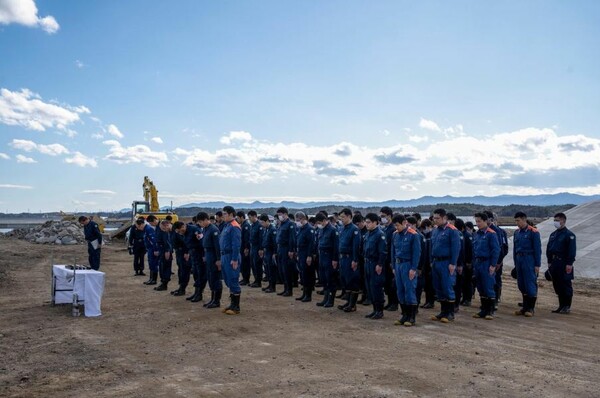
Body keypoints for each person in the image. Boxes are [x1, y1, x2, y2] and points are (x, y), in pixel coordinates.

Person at [430, 208, 461, 323]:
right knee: (438, 288)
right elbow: (432, 246)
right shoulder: (435, 230)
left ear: (444, 218)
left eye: (437, 218)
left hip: (446, 262)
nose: (435, 220)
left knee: (447, 287)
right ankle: (443, 312)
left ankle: (450, 313)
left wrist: (453, 263)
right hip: (436, 262)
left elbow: (456, 248)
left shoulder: (452, 230)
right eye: (434, 218)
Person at [391, 214, 421, 326]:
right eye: (395, 226)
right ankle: (404, 315)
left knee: (409, 290)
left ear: (404, 223)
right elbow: (392, 252)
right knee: (400, 290)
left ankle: (411, 317)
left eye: (397, 225)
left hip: (408, 265)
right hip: (398, 265)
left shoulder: (413, 235)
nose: (396, 228)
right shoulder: (395, 235)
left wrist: (413, 268)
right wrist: (393, 267)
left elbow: (417, 253)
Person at [471, 213, 500, 320]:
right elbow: (474, 250)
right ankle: (483, 309)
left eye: (479, 221)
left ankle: (490, 310)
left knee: (488, 286)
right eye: (476, 221)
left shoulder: (491, 234)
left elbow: (495, 250)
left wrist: (493, 265)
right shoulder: (477, 234)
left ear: (485, 221)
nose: (477, 224)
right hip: (478, 263)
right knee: (480, 286)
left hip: (487, 263)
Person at [546, 212, 577, 314]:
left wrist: (569, 264)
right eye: (554, 220)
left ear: (563, 221)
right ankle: (561, 306)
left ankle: (567, 306)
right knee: (557, 284)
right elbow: (549, 249)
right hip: (554, 263)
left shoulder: (569, 235)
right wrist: (549, 262)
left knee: (565, 285)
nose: (555, 222)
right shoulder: (553, 234)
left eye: (557, 220)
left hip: (564, 263)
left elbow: (571, 251)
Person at [513, 212, 542, 317]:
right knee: (521, 284)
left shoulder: (533, 232)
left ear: (524, 219)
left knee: (530, 283)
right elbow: (515, 249)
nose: (517, 223)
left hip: (529, 259)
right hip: (519, 259)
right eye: (516, 221)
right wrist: (515, 263)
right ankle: (524, 307)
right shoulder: (517, 232)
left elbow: (537, 249)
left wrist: (537, 264)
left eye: (518, 221)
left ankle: (531, 308)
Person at [173, 220, 206, 303]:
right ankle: (196, 293)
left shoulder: (195, 230)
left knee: (200, 274)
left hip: (199, 254)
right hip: (193, 254)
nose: (180, 233)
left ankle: (199, 294)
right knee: (195, 274)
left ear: (183, 226)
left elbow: (202, 243)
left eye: (180, 231)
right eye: (178, 232)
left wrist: (204, 255)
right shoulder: (184, 233)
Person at [363, 213, 387, 320]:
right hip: (367, 263)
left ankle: (379, 311)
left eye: (368, 222)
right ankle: (374, 309)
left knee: (376, 287)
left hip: (375, 263)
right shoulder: (368, 234)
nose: (366, 224)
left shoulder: (379, 234)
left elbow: (383, 252)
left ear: (375, 222)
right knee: (370, 287)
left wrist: (380, 264)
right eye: (366, 222)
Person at [219, 206, 242, 315]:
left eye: (225, 214)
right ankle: (232, 304)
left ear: (231, 214)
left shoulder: (234, 226)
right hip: (224, 255)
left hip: (231, 256)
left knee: (233, 279)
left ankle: (236, 307)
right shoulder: (226, 225)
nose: (223, 216)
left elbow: (236, 245)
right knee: (228, 279)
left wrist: (234, 259)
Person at [197, 212, 223, 309]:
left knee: (215, 278)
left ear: (205, 220)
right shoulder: (205, 229)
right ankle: (213, 299)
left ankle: (217, 301)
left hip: (213, 255)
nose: (200, 224)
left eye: (200, 222)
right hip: (208, 255)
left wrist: (219, 259)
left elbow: (217, 246)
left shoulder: (214, 230)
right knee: (210, 277)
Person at [337, 208, 361, 312]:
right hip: (342, 258)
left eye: (343, 217)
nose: (341, 219)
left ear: (349, 217)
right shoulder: (343, 228)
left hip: (350, 258)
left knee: (352, 281)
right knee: (345, 280)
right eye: (340, 217)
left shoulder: (354, 229)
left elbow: (356, 246)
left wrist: (355, 260)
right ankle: (348, 301)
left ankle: (352, 304)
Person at [315, 212, 340, 308]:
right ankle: (325, 299)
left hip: (330, 257)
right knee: (324, 278)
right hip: (322, 256)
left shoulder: (333, 230)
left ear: (325, 220)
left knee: (330, 279)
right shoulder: (321, 230)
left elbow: (336, 246)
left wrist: (335, 259)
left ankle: (330, 300)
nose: (318, 224)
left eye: (320, 222)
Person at [380, 206, 398, 312]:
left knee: (392, 283)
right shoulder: (385, 228)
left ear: (389, 216)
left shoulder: (393, 229)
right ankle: (390, 302)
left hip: (391, 260)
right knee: (386, 283)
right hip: (385, 259)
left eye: (384, 216)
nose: (382, 218)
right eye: (381, 216)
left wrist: (392, 261)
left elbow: (393, 247)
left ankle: (394, 303)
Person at [295, 211, 316, 302]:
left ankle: (308, 295)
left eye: (298, 220)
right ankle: (304, 294)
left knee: (307, 275)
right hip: (301, 253)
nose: (297, 222)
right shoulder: (301, 228)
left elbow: (311, 244)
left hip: (306, 254)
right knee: (303, 274)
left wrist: (309, 256)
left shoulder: (309, 229)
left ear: (303, 219)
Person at [275, 207, 296, 297]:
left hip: (286, 249)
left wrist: (291, 250)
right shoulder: (282, 224)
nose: (279, 216)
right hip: (280, 248)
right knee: (282, 270)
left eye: (280, 214)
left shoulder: (290, 224)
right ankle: (285, 288)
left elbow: (292, 238)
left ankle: (289, 290)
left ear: (285, 214)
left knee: (287, 270)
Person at [259, 214, 278, 293]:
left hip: (271, 252)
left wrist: (274, 253)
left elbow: (275, 243)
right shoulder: (266, 229)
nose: (262, 224)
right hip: (266, 251)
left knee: (272, 270)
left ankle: (272, 287)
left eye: (263, 222)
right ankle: (270, 285)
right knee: (268, 270)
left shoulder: (272, 229)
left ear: (267, 221)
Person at [154, 219, 173, 291]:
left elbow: (168, 242)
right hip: (162, 251)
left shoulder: (167, 232)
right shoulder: (163, 231)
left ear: (166, 226)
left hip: (166, 252)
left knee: (165, 267)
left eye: (163, 228)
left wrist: (167, 251)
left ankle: (165, 283)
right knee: (162, 267)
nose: (162, 229)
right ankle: (162, 282)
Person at [248, 210, 263, 287]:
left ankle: (258, 281)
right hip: (252, 247)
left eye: (250, 217)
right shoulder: (252, 225)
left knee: (257, 265)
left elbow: (261, 238)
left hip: (257, 247)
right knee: (253, 265)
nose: (249, 219)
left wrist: (261, 249)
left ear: (254, 216)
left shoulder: (259, 225)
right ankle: (255, 279)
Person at [143, 215, 160, 285]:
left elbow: (154, 240)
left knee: (154, 264)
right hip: (150, 249)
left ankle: (154, 280)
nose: (150, 224)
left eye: (150, 223)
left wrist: (156, 250)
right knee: (151, 264)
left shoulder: (153, 228)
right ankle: (151, 278)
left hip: (153, 249)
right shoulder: (153, 227)